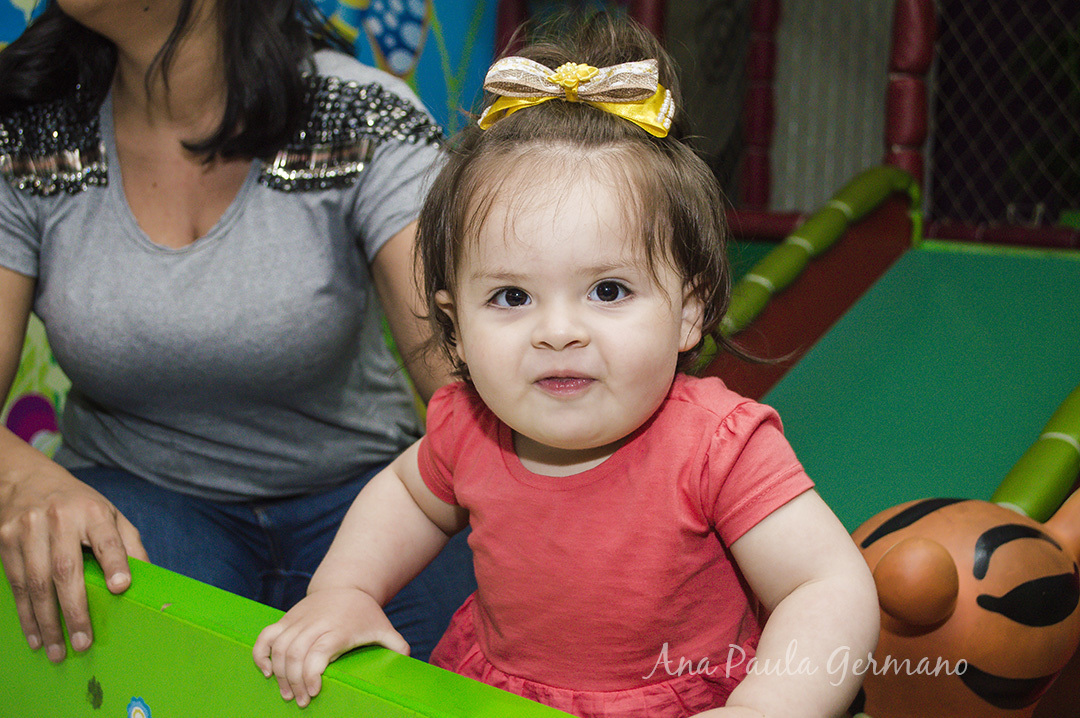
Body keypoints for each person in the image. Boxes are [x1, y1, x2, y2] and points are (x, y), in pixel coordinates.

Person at [253, 13, 879, 718]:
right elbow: (405, 496)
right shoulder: (471, 427)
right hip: (498, 695)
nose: (557, 332)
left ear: (688, 312)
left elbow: (827, 585)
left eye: (608, 291)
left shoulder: (717, 447)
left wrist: (768, 706)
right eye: (512, 296)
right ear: (454, 326)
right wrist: (346, 589)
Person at [0, 0, 475, 665]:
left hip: (373, 495)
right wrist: (27, 481)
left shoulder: (363, 114)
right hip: (139, 492)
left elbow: (468, 384)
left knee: (457, 663)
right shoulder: (29, 136)